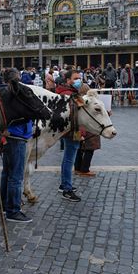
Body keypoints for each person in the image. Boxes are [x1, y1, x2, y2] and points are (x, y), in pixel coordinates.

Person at [0, 68, 33, 223]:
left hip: (10, 136)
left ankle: (5, 204)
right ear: (16, 79)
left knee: (7, 172)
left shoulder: (1, 93)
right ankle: (13, 210)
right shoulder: (14, 94)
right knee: (16, 175)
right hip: (17, 136)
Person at [55, 70, 83, 202]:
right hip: (73, 131)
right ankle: (67, 188)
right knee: (69, 160)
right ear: (68, 80)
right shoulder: (70, 95)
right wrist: (81, 134)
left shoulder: (66, 92)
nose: (79, 80)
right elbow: (77, 117)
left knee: (67, 158)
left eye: (79, 78)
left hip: (69, 131)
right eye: (76, 78)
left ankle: (64, 184)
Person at [74, 84, 100, 177]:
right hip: (88, 129)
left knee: (78, 148)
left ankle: (77, 168)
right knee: (90, 149)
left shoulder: (76, 100)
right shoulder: (90, 102)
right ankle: (85, 169)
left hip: (77, 128)